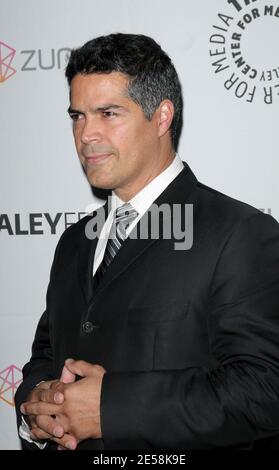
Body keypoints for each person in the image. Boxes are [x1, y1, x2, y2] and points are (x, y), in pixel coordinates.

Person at [15, 33, 279, 451]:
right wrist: (38, 405)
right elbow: (46, 354)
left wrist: (111, 409)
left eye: (108, 113)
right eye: (78, 116)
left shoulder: (240, 234)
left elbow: (264, 390)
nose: (86, 134)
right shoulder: (73, 242)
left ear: (161, 117)